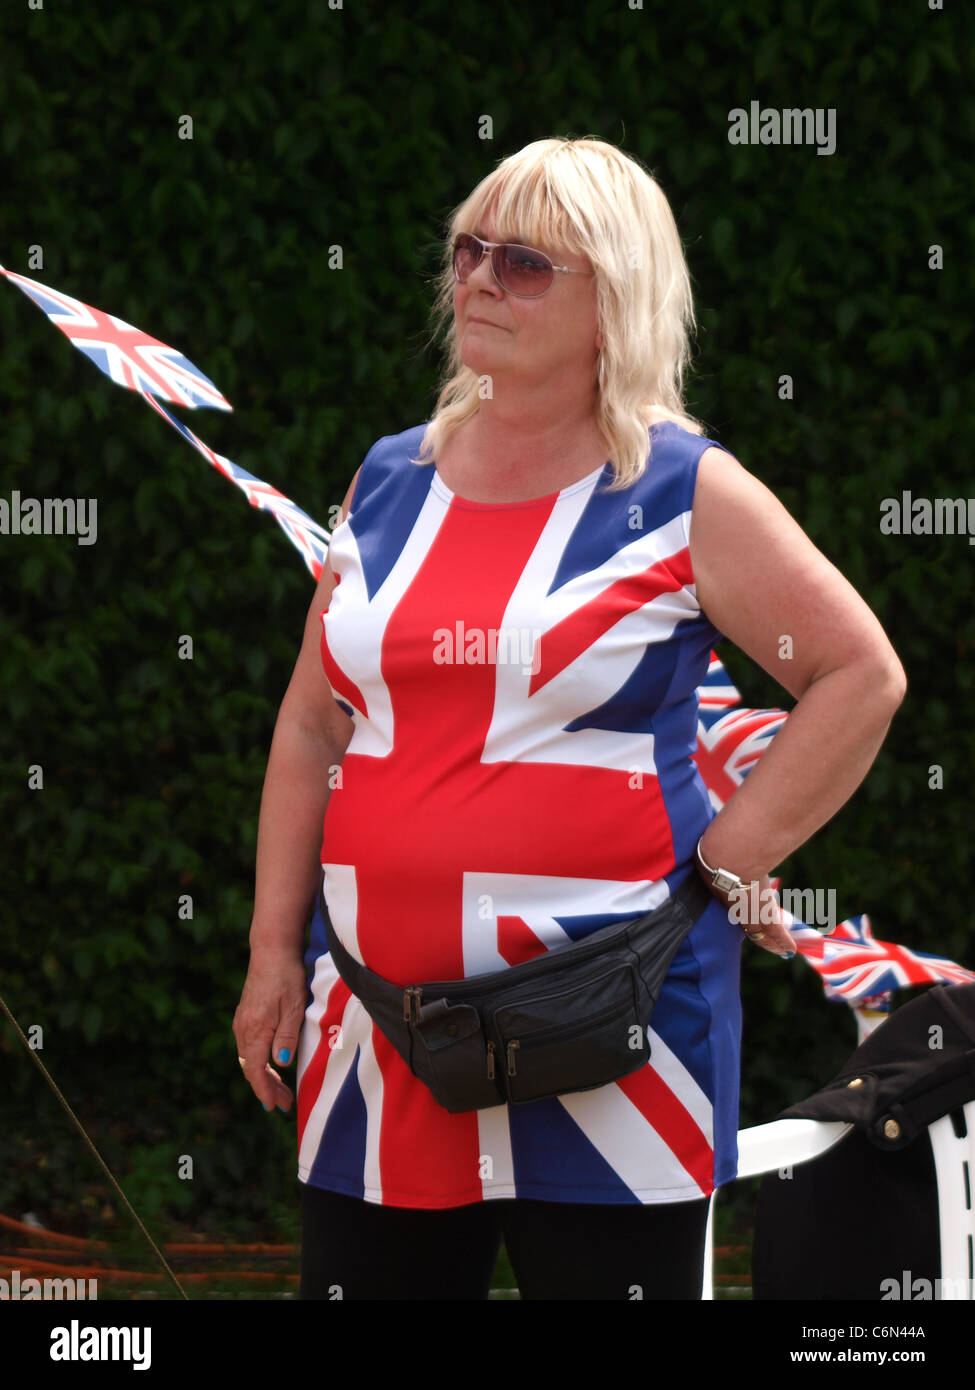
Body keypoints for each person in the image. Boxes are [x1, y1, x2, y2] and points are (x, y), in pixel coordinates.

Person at [232, 135, 906, 1300]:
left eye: (529, 262)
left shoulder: (685, 489)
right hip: (377, 1038)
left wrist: (733, 860)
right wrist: (267, 952)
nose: (482, 278)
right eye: (469, 250)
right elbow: (310, 725)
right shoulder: (388, 479)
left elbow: (857, 674)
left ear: (619, 300)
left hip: (618, 1048)